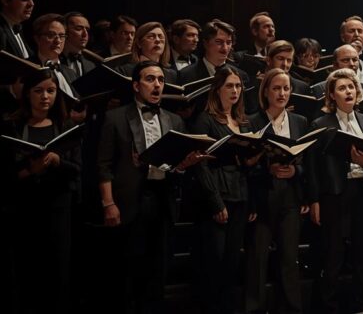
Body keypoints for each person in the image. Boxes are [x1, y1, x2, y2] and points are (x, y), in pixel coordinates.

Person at [96, 61, 206, 313]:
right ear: (136, 86)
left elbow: (175, 166)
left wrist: (185, 164)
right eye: (150, 79)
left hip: (162, 197)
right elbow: (103, 165)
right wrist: (108, 203)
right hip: (129, 199)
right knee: (126, 268)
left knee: (158, 267)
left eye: (160, 80)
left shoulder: (174, 120)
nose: (157, 85)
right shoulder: (115, 117)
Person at [308, 68, 363, 313]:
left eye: (351, 87)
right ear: (332, 95)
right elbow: (313, 167)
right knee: (333, 252)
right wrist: (314, 200)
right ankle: (329, 306)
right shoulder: (320, 124)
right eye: (342, 88)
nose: (348, 91)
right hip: (335, 194)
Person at [4, 68, 81, 313]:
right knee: (26, 270)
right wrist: (30, 170)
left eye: (51, 91)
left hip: (58, 208)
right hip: (23, 209)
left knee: (58, 271)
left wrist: (57, 161)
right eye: (38, 91)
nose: (45, 97)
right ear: (27, 94)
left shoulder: (66, 125)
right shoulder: (13, 126)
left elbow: (78, 169)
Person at [189, 66, 257, 314]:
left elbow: (247, 166)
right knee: (213, 261)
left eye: (238, 86)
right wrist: (215, 202)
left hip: (240, 193)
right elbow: (201, 165)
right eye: (229, 86)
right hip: (217, 195)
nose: (235, 90)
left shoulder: (243, 121)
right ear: (217, 89)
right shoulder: (205, 119)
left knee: (231, 260)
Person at [245, 68, 310, 314]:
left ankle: (291, 309)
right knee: (258, 258)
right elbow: (245, 165)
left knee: (289, 258)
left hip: (290, 196)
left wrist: (295, 172)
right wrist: (267, 169)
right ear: (266, 92)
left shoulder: (299, 121)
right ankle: (254, 309)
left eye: (286, 88)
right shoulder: (251, 121)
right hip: (263, 196)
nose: (282, 93)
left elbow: (307, 162)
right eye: (276, 88)